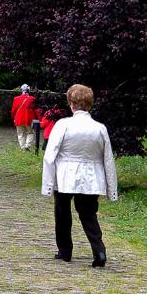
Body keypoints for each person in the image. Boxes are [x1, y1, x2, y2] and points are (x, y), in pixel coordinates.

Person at [41, 83, 118, 267]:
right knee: (89, 215)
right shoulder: (100, 128)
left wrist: (48, 185)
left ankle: (65, 251)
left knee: (62, 213)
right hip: (91, 178)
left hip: (65, 176)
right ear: (89, 104)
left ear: (71, 104)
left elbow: (50, 156)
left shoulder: (63, 125)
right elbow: (108, 160)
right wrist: (112, 190)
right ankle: (99, 251)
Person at [11, 84, 38, 150]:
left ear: (21, 90)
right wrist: (37, 118)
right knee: (30, 133)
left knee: (20, 134)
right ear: (29, 90)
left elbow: (13, 110)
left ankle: (22, 148)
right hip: (28, 119)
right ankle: (27, 146)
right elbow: (35, 110)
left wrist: (14, 117)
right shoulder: (32, 99)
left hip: (18, 119)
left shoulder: (16, 98)